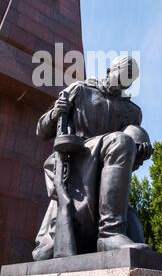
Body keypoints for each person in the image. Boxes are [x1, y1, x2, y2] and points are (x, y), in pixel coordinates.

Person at [33, 55, 153, 261]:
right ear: (109, 71)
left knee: (125, 139)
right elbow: (42, 130)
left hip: (105, 162)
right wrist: (54, 114)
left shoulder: (132, 111)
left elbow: (124, 158)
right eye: (121, 76)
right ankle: (109, 234)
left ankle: (111, 232)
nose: (123, 84)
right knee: (121, 140)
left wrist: (139, 150)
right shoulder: (80, 90)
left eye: (128, 81)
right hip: (78, 155)